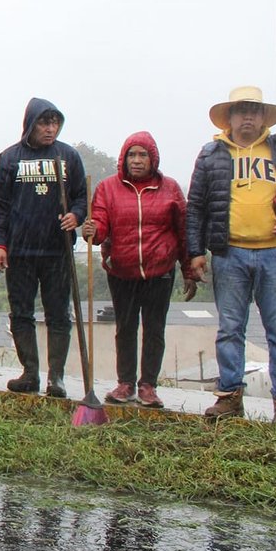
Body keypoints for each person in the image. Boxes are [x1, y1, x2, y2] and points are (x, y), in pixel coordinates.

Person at [186, 86, 276, 427]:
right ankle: (229, 398)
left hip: (275, 254)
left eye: (254, 110)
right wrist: (195, 253)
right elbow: (196, 207)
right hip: (229, 254)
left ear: (264, 117)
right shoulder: (211, 155)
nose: (248, 116)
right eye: (241, 110)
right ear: (230, 117)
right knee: (230, 329)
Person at [81, 131, 189, 408]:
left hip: (160, 271)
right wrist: (93, 231)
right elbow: (101, 224)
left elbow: (183, 231)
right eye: (132, 155)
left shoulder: (170, 189)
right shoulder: (107, 188)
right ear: (124, 158)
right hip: (122, 271)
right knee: (125, 328)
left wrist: (189, 267)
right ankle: (125, 383)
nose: (137, 160)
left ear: (153, 159)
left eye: (143, 155)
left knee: (154, 329)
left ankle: (148, 386)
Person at [0, 98, 87, 397]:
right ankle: (30, 373)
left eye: (55, 123)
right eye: (44, 123)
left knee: (59, 314)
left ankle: (56, 377)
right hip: (20, 251)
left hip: (57, 250)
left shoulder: (68, 157)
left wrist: (76, 215)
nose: (50, 129)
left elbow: (82, 196)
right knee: (21, 313)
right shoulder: (9, 158)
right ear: (31, 124)